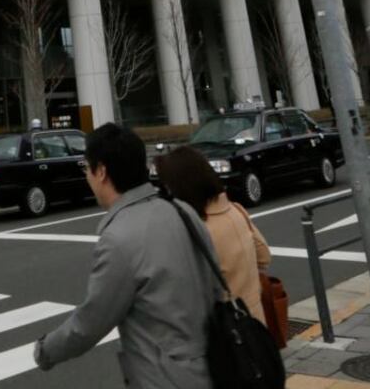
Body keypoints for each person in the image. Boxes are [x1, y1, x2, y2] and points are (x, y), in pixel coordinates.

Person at [34, 124, 220, 387]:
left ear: (101, 172)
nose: (86, 176)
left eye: (87, 168)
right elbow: (214, 284)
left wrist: (46, 350)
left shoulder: (119, 239)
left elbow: (90, 322)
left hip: (165, 379)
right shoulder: (182, 210)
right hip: (215, 366)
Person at [155, 146, 272, 323]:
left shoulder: (194, 229)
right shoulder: (236, 210)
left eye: (168, 187)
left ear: (181, 187)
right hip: (255, 329)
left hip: (222, 333)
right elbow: (264, 257)